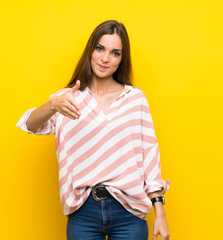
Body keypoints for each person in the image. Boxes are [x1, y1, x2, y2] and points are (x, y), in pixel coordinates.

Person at [16, 20, 170, 240]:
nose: (105, 58)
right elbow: (31, 125)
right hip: (83, 212)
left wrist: (160, 212)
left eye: (115, 53)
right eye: (100, 48)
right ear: (91, 50)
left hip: (129, 213)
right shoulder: (68, 98)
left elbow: (150, 154)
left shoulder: (135, 98)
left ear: (121, 59)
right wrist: (52, 105)